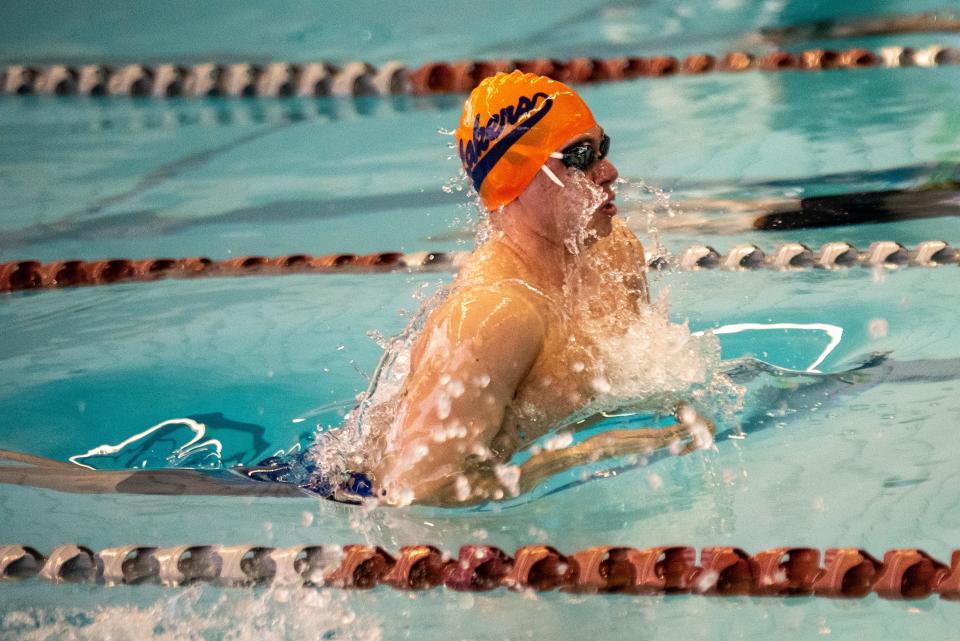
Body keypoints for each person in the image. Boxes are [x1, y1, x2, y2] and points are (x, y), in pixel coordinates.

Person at [337, 71, 715, 507]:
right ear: (513, 180)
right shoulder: (496, 313)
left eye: (602, 149)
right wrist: (592, 452)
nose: (609, 172)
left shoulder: (615, 250)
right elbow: (417, 491)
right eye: (578, 158)